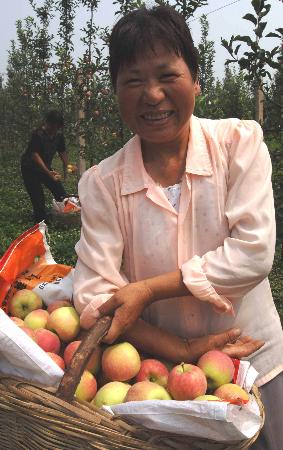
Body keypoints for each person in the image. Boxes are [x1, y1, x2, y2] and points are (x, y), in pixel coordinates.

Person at [73, 5, 283, 449]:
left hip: (254, 366)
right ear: (115, 93)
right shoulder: (101, 184)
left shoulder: (237, 145)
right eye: (133, 81)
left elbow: (253, 253)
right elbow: (96, 296)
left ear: (196, 80)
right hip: (159, 387)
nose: (152, 95)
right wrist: (181, 350)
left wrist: (149, 289)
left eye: (167, 75)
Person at [21, 109, 69, 223]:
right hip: (30, 169)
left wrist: (66, 166)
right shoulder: (38, 134)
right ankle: (40, 222)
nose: (54, 130)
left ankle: (64, 217)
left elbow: (62, 151)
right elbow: (35, 155)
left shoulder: (59, 135)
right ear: (47, 122)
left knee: (61, 194)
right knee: (38, 200)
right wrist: (48, 173)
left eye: (57, 127)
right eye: (52, 126)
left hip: (45, 168)